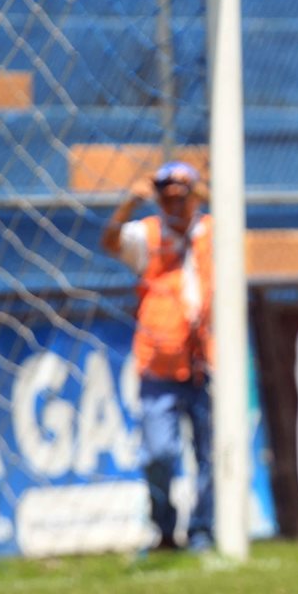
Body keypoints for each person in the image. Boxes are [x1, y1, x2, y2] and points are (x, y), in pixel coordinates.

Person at [99, 161, 215, 552]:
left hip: (207, 363)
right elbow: (110, 242)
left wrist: (201, 190)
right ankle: (164, 528)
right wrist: (131, 201)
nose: (176, 204)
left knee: (210, 456)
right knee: (159, 454)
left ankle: (202, 530)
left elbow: (239, 231)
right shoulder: (147, 234)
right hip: (157, 366)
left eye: (183, 196)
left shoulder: (213, 230)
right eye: (169, 196)